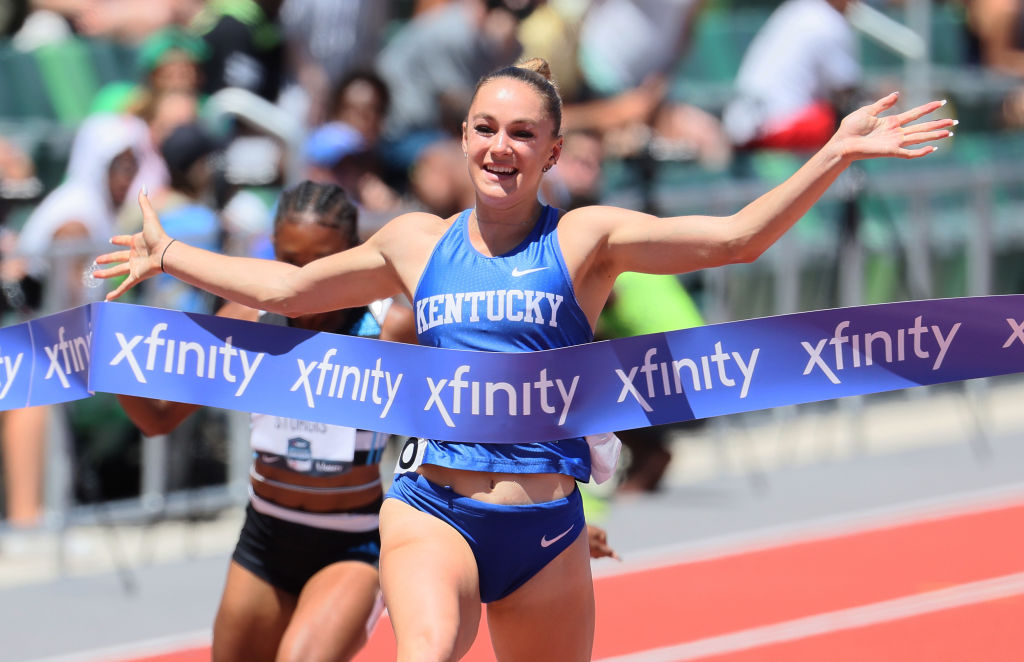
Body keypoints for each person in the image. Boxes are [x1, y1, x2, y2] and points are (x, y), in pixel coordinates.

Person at [95, 57, 952, 661]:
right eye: (484, 129)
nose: (499, 147)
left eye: (522, 133)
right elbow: (288, 291)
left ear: (551, 151)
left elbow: (733, 241)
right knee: (424, 652)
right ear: (464, 138)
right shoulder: (414, 243)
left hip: (546, 530)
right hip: (434, 511)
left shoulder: (586, 239)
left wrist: (834, 153)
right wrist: (170, 255)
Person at [116, 180, 416, 662]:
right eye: (288, 261)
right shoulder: (245, 319)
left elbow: (474, 415)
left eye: (321, 262)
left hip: (351, 544)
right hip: (265, 537)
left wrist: (550, 507)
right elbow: (159, 419)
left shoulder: (389, 329)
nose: (301, 279)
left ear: (353, 255)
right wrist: (110, 366)